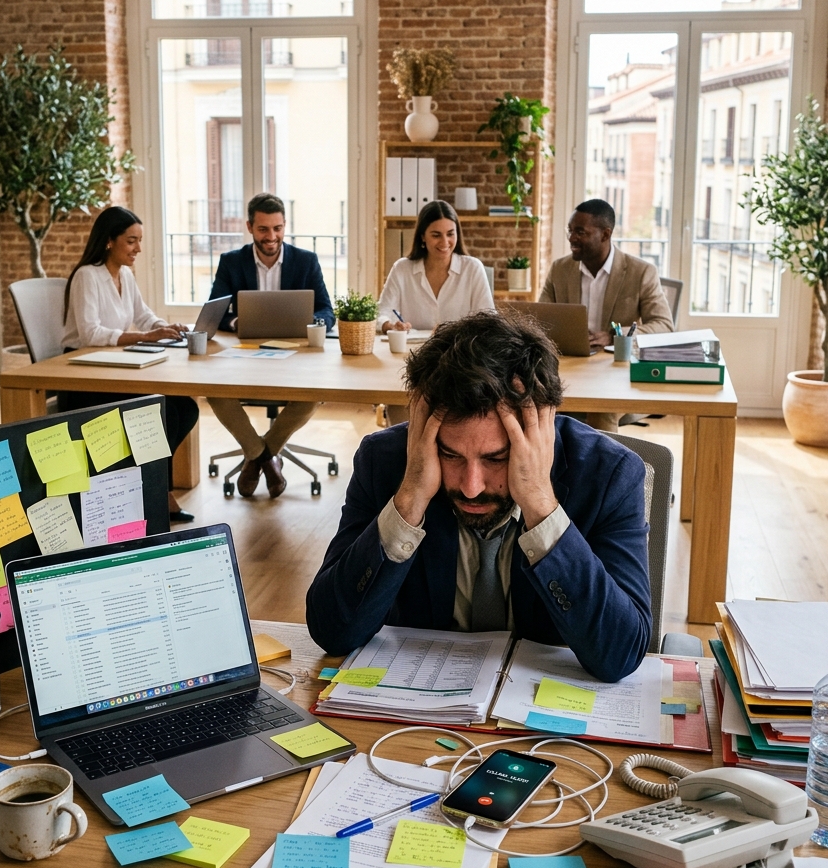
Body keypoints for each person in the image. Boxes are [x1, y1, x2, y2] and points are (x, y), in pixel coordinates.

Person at [305, 311, 652, 683]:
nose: (471, 487)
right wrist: (409, 501)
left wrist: (540, 504)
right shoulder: (384, 461)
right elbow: (333, 632)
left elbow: (620, 654)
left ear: (540, 431)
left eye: (496, 458)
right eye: (450, 454)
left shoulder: (609, 475)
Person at [60, 205, 199, 522]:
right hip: (82, 377)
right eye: (131, 241)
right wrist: (146, 337)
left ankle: (151, 484)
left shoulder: (124, 274)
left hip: (113, 368)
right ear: (109, 241)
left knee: (185, 408)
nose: (138, 249)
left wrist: (166, 328)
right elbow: (91, 333)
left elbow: (143, 315)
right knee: (162, 411)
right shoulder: (87, 276)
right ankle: (158, 492)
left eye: (139, 241)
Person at [206, 193, 336, 499]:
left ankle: (257, 457)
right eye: (263, 229)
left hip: (295, 357)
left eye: (278, 228)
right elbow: (215, 311)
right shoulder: (231, 262)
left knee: (314, 393)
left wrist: (306, 322)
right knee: (214, 390)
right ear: (250, 227)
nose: (272, 236)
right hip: (244, 357)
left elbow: (327, 311)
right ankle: (264, 457)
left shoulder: (306, 261)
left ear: (285, 225)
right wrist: (237, 322)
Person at [378, 200, 495, 425]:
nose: (445, 242)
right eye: (436, 235)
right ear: (422, 236)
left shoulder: (472, 268)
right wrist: (390, 325)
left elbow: (488, 321)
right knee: (400, 406)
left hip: (459, 363)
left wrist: (454, 331)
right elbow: (382, 312)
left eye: (450, 234)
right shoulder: (402, 269)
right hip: (410, 363)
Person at [541, 198, 673, 349]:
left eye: (580, 232)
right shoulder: (559, 269)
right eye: (570, 231)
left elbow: (664, 326)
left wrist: (614, 337)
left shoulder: (641, 272)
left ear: (605, 235)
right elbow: (539, 319)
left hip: (614, 358)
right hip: (570, 357)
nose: (571, 238)